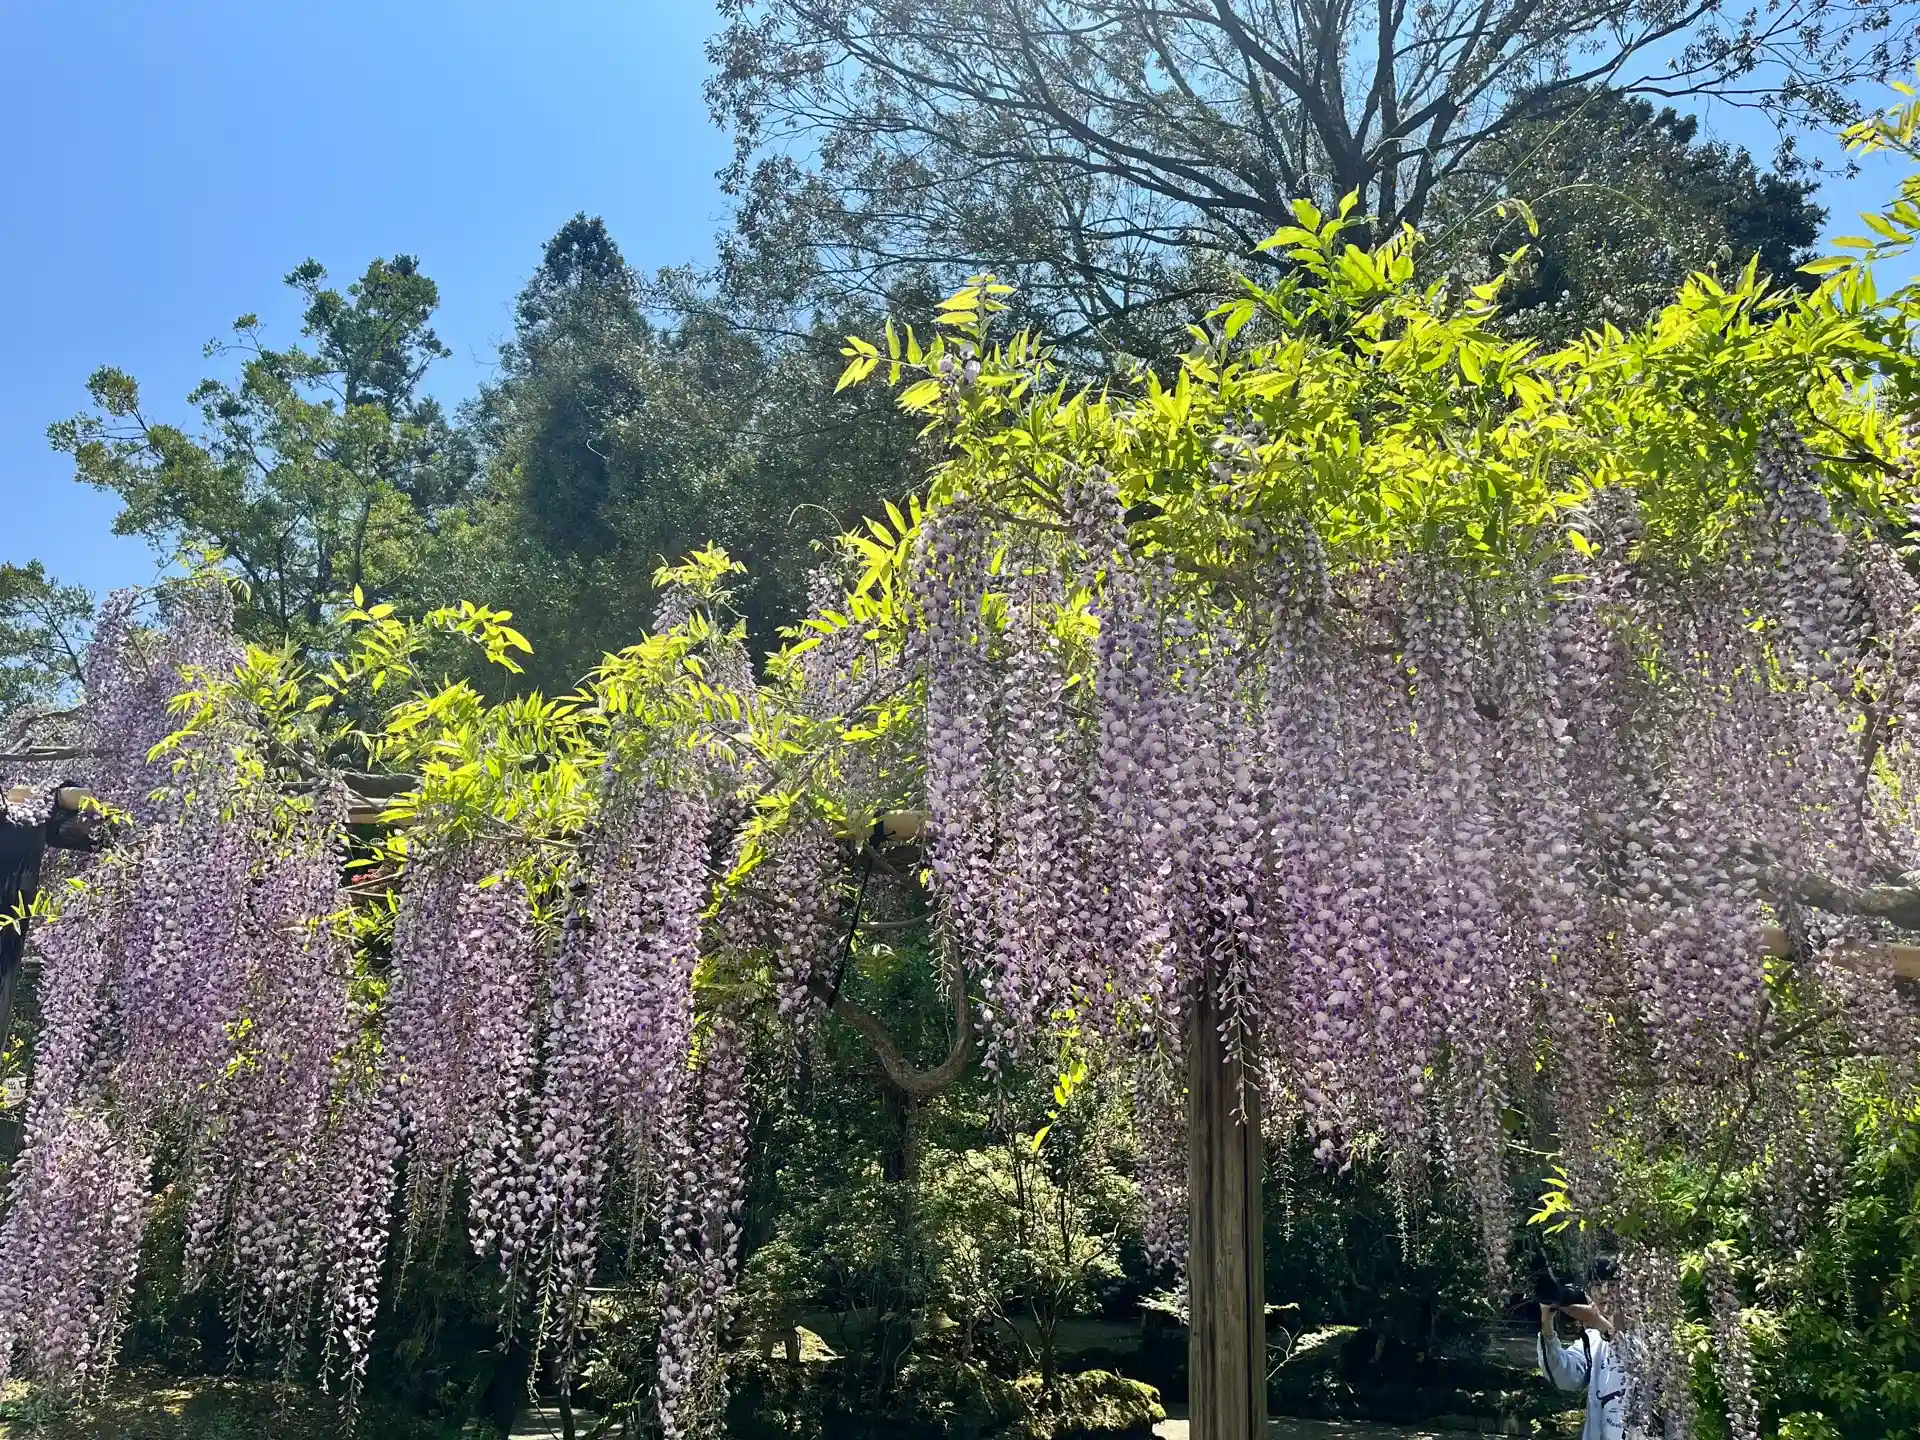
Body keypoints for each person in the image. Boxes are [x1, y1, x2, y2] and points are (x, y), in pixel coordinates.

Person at [1538, 1292, 1628, 1440]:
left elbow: (1637, 1365)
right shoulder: (1594, 1339)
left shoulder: (1655, 1333)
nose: (1604, 1296)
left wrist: (1599, 1323)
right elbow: (1565, 1377)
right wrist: (1547, 1322)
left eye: (1611, 1287)